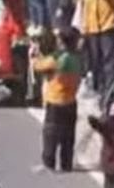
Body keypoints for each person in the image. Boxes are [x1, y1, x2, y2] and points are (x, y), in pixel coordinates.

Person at [32, 28, 82, 173]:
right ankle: (66, 164)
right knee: (68, 135)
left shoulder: (58, 57)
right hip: (71, 101)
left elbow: (39, 66)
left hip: (55, 101)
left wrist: (35, 56)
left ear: (61, 41)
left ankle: (49, 163)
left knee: (51, 133)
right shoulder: (77, 58)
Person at [79, 0, 114, 96]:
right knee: (95, 61)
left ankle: (109, 91)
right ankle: (98, 89)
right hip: (91, 28)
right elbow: (83, 6)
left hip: (108, 25)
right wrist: (84, 28)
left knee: (109, 61)